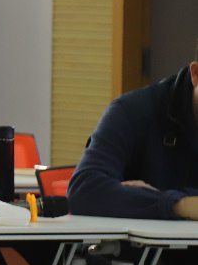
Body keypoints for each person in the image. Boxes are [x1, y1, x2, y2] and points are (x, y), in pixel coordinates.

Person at [68, 54, 198, 220]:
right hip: (135, 237)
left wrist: (162, 196)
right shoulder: (132, 111)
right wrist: (179, 205)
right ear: (195, 74)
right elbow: (84, 191)